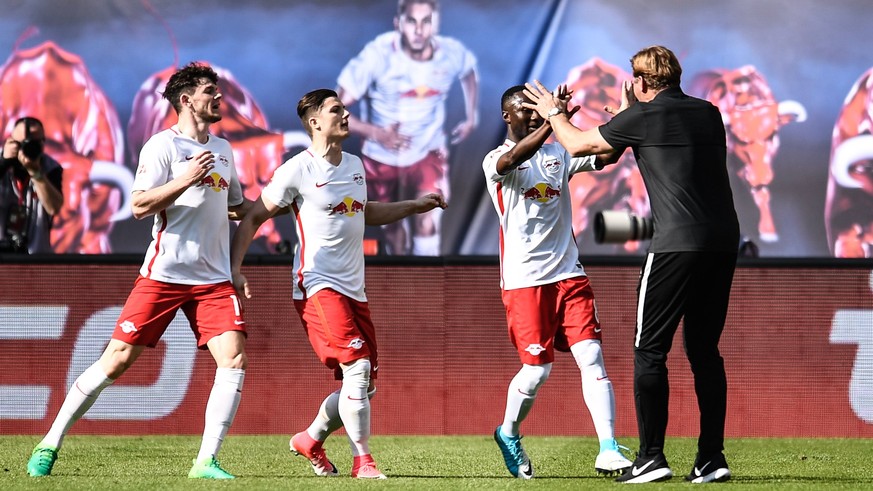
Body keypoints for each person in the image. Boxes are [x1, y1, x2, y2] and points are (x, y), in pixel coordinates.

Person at [523, 45, 740, 484]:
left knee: (649, 350)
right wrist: (624, 118)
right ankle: (711, 459)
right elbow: (639, 139)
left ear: (639, 83)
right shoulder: (709, 112)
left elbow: (579, 142)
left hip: (675, 244)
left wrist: (553, 112)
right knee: (704, 351)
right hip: (722, 243)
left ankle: (651, 458)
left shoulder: (642, 116)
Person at [27, 62, 251, 480]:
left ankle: (206, 461)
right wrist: (185, 179)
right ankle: (49, 442)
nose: (219, 98)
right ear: (186, 100)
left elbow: (236, 206)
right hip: (164, 274)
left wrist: (282, 203)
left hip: (213, 279)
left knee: (233, 358)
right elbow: (139, 206)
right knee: (116, 361)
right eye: (210, 91)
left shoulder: (223, 149)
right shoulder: (161, 146)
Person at [230, 88, 446, 479]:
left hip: (354, 290)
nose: (345, 114)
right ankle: (363, 462)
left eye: (344, 108)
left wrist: (415, 205)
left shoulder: (355, 165)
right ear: (314, 122)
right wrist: (236, 269)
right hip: (317, 285)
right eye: (336, 110)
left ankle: (310, 439)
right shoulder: (297, 169)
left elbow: (365, 212)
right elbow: (252, 217)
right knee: (358, 369)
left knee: (364, 386)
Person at [483, 85, 630, 479]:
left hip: (570, 275)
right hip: (524, 281)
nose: (533, 113)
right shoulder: (496, 159)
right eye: (524, 109)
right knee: (537, 371)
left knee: (592, 357)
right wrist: (554, 119)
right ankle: (508, 432)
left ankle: (608, 448)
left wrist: (624, 122)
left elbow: (607, 155)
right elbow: (518, 154)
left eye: (538, 108)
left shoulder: (558, 152)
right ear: (506, 117)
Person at [337, 0, 477, 255]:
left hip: (427, 152)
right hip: (380, 158)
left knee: (427, 220)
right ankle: (403, 289)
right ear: (398, 23)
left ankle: (430, 290)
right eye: (412, 21)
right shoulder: (377, 55)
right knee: (394, 235)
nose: (419, 29)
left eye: (426, 21)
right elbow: (335, 109)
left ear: (436, 24)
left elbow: (468, 73)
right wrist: (377, 133)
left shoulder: (451, 53)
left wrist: (470, 117)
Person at [0, 117, 63, 253]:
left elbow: (54, 208)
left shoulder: (50, 167)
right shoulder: (1, 159)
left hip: (36, 257)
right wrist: (4, 163)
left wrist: (36, 173)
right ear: (10, 141)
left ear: (43, 144)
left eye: (33, 144)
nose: (26, 150)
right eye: (21, 144)